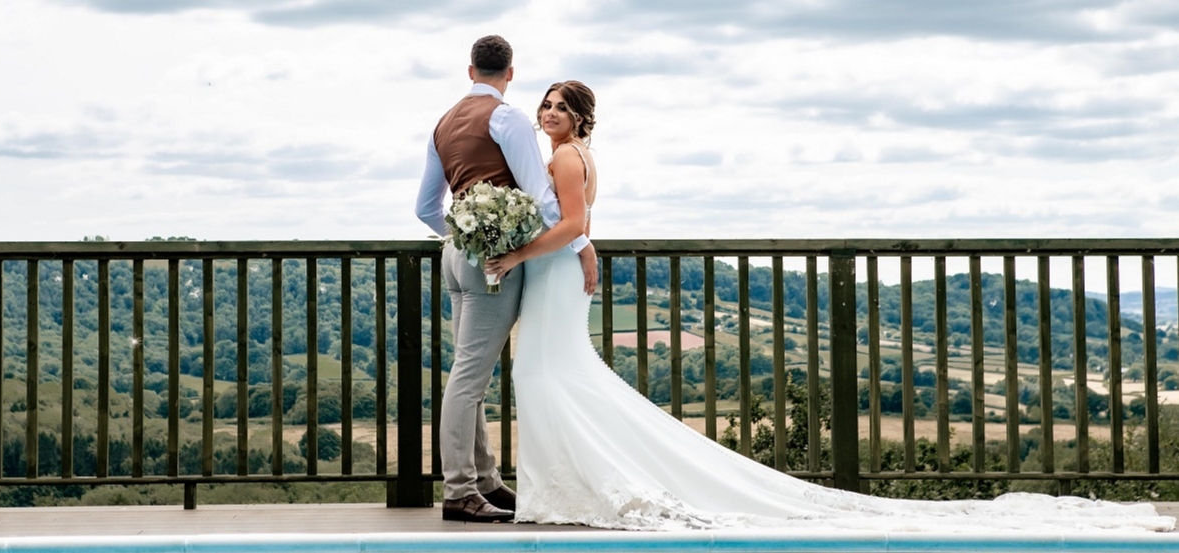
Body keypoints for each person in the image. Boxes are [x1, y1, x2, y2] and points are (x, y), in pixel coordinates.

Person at [483, 82, 1176, 532]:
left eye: (559, 107)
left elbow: (574, 223)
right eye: (545, 105)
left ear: (579, 117)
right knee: (555, 379)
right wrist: (572, 249)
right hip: (557, 276)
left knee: (547, 377)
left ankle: (562, 491)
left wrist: (516, 254)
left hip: (546, 275)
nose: (549, 114)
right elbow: (581, 232)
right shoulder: (571, 154)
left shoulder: (569, 158)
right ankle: (561, 488)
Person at [415, 35, 597, 523]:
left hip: (456, 255)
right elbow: (540, 196)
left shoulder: (441, 124)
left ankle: (487, 481)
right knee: (469, 378)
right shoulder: (508, 118)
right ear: (510, 73)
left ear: (470, 70)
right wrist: (582, 245)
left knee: (465, 371)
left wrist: (463, 236)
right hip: (492, 263)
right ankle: (459, 491)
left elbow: (424, 209)